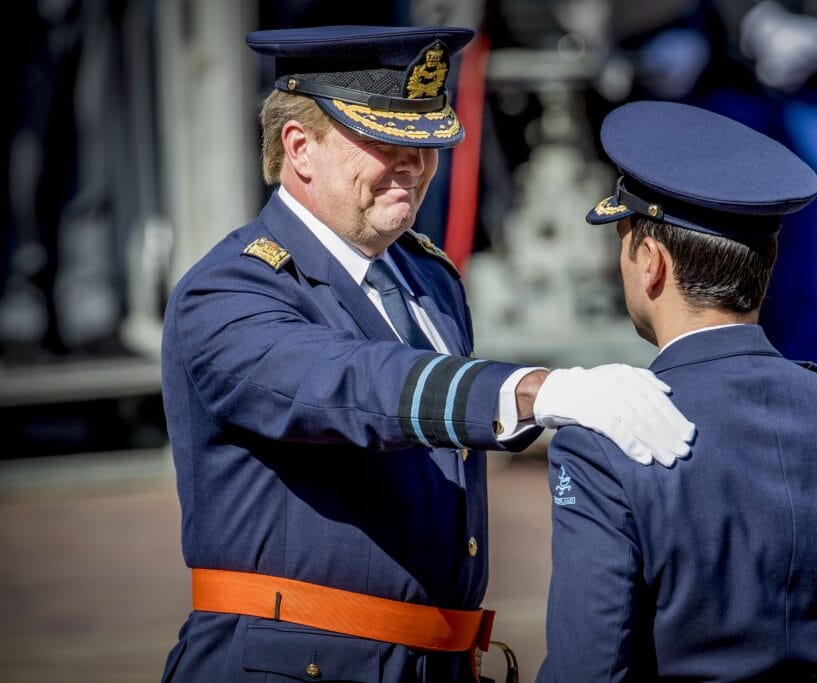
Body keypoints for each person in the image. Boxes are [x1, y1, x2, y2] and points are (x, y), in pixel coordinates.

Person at [159, 25, 696, 683]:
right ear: (300, 147)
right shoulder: (228, 291)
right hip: (292, 665)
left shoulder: (426, 275)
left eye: (426, 142)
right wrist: (538, 391)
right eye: (386, 141)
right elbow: (353, 386)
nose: (414, 162)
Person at [539, 101, 817, 681]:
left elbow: (589, 667)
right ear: (768, 262)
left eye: (624, 241)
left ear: (649, 262)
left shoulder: (603, 443)